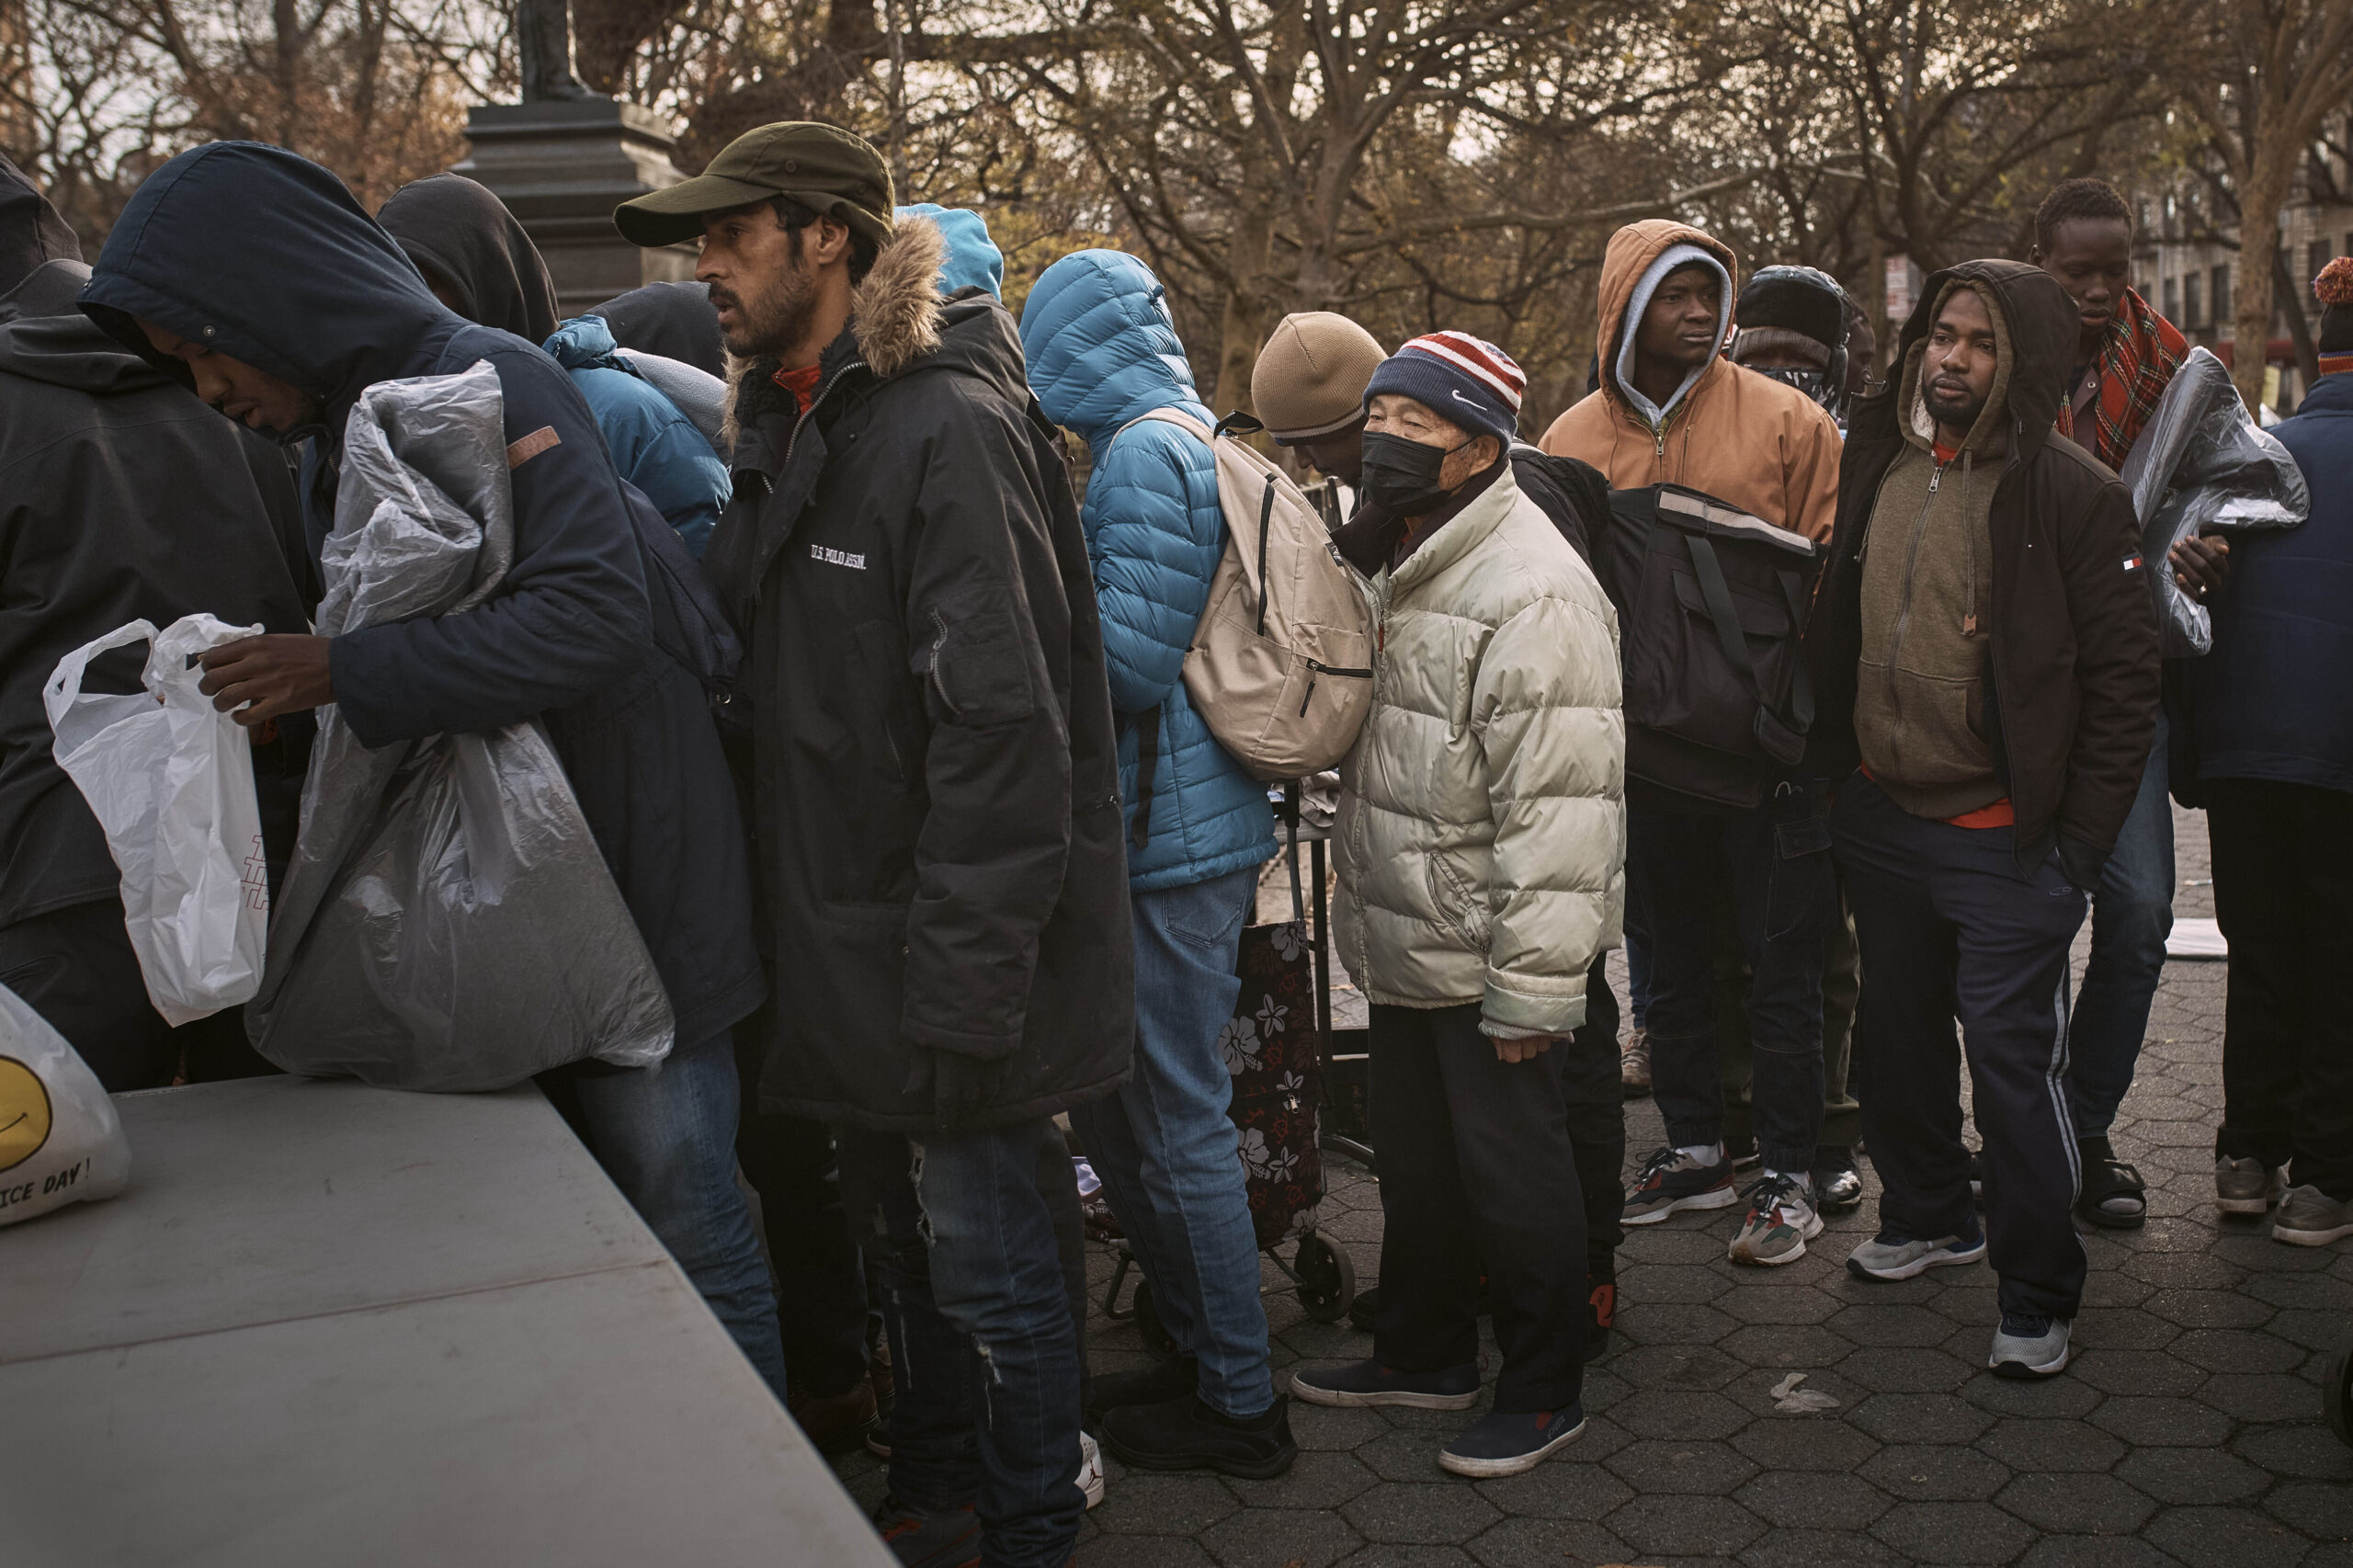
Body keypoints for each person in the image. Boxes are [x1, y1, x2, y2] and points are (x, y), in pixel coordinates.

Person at [78, 141, 785, 1396]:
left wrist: (338, 671)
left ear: (264, 300)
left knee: (686, 1220)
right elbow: (430, 648)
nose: (208, 391)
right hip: (533, 913)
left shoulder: (492, 375)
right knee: (587, 1252)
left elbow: (590, 615)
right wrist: (291, 706)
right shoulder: (330, 441)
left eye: (201, 351)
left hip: (640, 893)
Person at [614, 122, 1132, 1568]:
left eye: (732, 233)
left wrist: (966, 983)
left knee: (995, 1261)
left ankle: (1033, 1522)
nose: (704, 262)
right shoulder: (790, 417)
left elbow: (1006, 738)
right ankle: (939, 1488)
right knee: (904, 1252)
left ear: (826, 237)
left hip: (949, 960)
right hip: (844, 949)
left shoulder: (949, 426)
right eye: (698, 239)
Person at [1251, 309, 1630, 1358]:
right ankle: (1419, 1353)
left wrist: (1534, 990)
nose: (1385, 433)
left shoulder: (1534, 589)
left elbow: (1560, 814)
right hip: (1409, 936)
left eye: (1414, 416)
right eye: (1378, 411)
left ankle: (1544, 1377)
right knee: (1420, 1172)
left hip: (1484, 951)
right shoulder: (1406, 553)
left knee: (1516, 1180)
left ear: (1477, 443)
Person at [1808, 260, 2159, 1378]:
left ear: (2028, 362)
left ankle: (2037, 1286)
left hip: (2006, 840)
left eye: (1980, 342)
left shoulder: (2073, 494)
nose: (1950, 358)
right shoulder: (1884, 455)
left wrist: (2075, 855)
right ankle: (1927, 1214)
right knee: (1896, 1041)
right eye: (1940, 335)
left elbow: (2122, 690)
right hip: (1879, 811)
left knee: (2011, 1070)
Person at [1017, 250, 1296, 1482]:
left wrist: (1032, 596)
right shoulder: (1177, 433)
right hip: (1186, 827)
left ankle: (1240, 1403)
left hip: (1175, 843)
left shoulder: (1142, 451)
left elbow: (1127, 663)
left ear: (1074, 346)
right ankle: (1198, 1353)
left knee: (1176, 1118)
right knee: (1138, 1114)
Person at [1540, 221, 1846, 1266]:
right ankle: (1697, 1147)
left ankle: (1790, 1173)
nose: (1696, 311)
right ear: (1623, 304)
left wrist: (1804, 719)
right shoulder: (1568, 439)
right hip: (1638, 758)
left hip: (1769, 758)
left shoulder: (1789, 423)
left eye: (1708, 292)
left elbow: (1835, 577)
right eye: (1671, 293)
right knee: (1665, 963)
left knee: (1780, 969)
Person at [0, 156, 312, 1091]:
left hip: (55, 870)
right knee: (283, 1184)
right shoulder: (226, 378)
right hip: (258, 852)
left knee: (66, 1182)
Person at [2026, 176, 2229, 1231]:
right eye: (2080, 271)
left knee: (2142, 910)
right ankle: (2031, 1139)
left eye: (2117, 269)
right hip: (2011, 691)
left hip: (2125, 683)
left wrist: (2211, 544)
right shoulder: (1999, 354)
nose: (2103, 289)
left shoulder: (2183, 372)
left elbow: (2225, 487)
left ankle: (2084, 1121)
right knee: (2028, 920)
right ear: (2041, 260)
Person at [2179, 257, 2353, 1245]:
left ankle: (2247, 1153)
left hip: (2248, 751)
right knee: (2341, 962)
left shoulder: (2260, 457)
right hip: (2341, 762)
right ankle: (2325, 1176)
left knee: (2266, 957)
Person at [1725, 263, 1873, 1214]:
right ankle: (1744, 1115)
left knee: (1827, 941)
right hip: (1725, 727)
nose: (1785, 374)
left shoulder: (1865, 453)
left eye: (1803, 358)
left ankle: (1830, 1118)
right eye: (1765, 353)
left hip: (1832, 733)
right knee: (1729, 939)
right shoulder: (1712, 435)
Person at [378, 174, 732, 556]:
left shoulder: (627, 420)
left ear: (490, 281)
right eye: (390, 280)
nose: (406, 303)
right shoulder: (370, 420)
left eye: (427, 283)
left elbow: (694, 594)